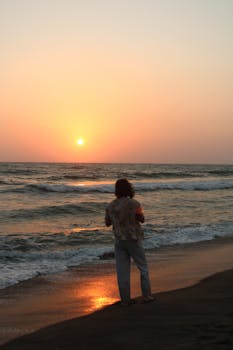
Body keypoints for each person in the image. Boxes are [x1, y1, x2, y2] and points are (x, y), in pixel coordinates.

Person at [105, 178, 154, 306]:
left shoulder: (110, 205)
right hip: (133, 238)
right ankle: (147, 296)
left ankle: (125, 300)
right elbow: (141, 219)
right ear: (129, 189)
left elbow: (107, 223)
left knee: (122, 271)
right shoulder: (134, 203)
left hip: (119, 240)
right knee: (142, 267)